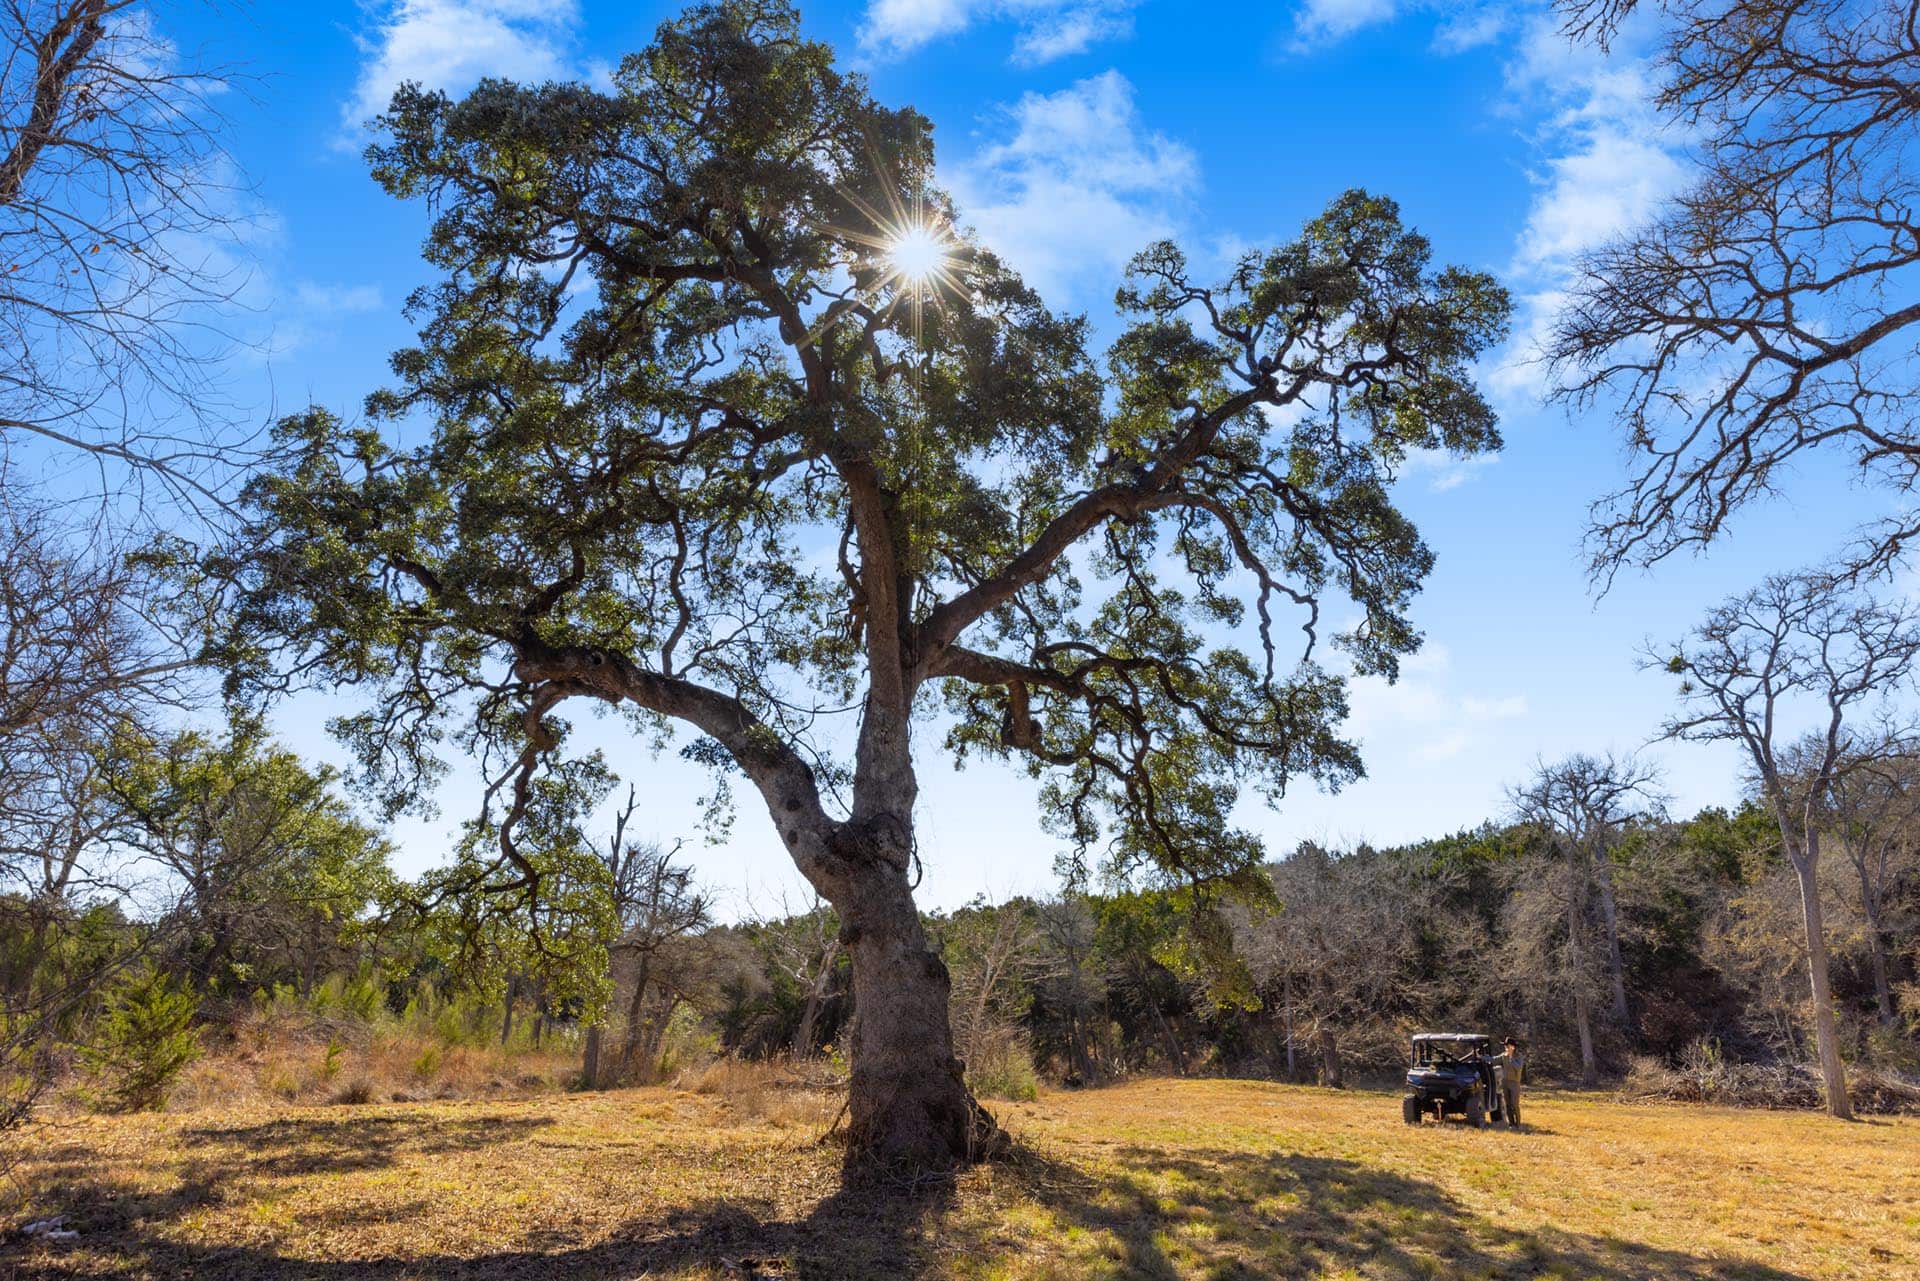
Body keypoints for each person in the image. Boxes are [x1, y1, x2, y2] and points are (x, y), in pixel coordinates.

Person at [1488, 1036, 1525, 1127]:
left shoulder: (1518, 1057)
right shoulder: (1503, 1055)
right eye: (1506, 1046)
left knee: (1514, 1104)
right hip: (1505, 1082)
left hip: (1514, 1083)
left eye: (1508, 1046)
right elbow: (1494, 1060)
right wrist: (1484, 1058)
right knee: (1508, 1104)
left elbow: (1518, 1067)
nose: (1506, 1048)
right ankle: (1511, 1123)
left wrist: (1511, 1057)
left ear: (1513, 1047)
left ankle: (1518, 1123)